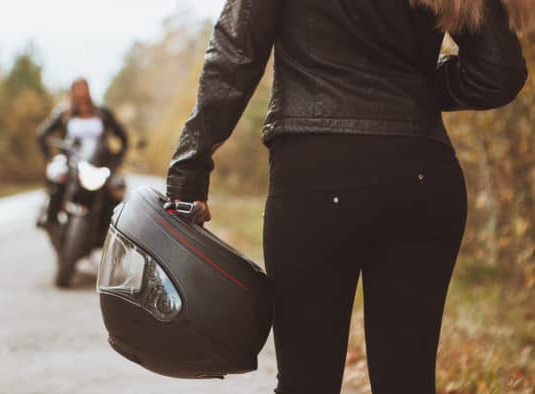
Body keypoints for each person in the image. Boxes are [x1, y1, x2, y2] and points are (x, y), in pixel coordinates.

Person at [166, 0, 530, 393]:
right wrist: (414, 85)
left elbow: (234, 56)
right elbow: (500, 73)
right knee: (407, 381)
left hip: (316, 176)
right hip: (422, 178)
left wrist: (189, 171)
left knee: (308, 383)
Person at [37, 77, 128, 227]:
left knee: (116, 188)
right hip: (72, 162)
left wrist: (117, 159)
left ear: (89, 90)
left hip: (99, 164)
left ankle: (111, 228)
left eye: (83, 88)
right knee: (57, 178)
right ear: (71, 92)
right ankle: (50, 218)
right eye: (77, 89)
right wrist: (50, 158)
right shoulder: (63, 113)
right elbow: (42, 134)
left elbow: (123, 137)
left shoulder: (103, 113)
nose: (81, 92)